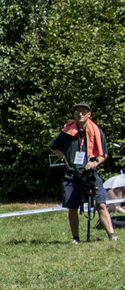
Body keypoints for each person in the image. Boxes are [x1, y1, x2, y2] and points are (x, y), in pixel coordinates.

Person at [50, 102, 117, 243]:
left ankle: (112, 235)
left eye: (83, 111)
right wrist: (64, 156)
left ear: (89, 114)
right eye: (77, 112)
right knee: (72, 206)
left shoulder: (97, 131)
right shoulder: (67, 131)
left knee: (101, 204)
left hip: (90, 173)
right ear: (74, 115)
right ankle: (76, 238)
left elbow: (104, 154)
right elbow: (52, 146)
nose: (80, 114)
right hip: (72, 173)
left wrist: (94, 162)